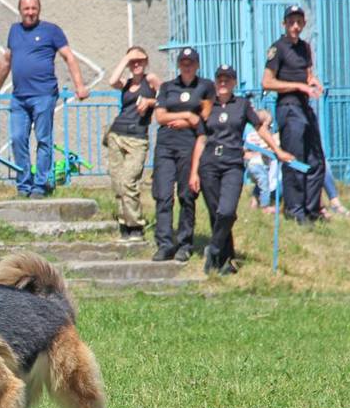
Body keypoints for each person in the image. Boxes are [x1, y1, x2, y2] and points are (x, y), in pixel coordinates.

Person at [188, 65, 294, 275]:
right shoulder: (208, 106)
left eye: (227, 79)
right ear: (215, 81)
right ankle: (224, 262)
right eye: (220, 78)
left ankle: (214, 249)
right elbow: (201, 139)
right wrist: (194, 172)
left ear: (234, 82)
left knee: (227, 212)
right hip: (209, 164)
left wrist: (277, 150)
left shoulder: (242, 105)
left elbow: (260, 128)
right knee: (216, 213)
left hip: (232, 163)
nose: (223, 82)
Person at [0, 0, 90, 198]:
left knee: (43, 140)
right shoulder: (14, 31)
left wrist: (79, 86)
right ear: (20, 10)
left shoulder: (51, 30)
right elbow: (6, 61)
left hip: (44, 95)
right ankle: (24, 185)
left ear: (39, 10)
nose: (30, 12)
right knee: (17, 139)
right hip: (19, 97)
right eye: (26, 9)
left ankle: (40, 185)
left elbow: (69, 57)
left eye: (34, 8)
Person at [262, 4, 326, 224]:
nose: (295, 26)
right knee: (295, 160)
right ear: (284, 24)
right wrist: (298, 86)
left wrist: (312, 81)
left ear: (304, 24)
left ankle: (312, 209)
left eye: (299, 22)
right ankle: (294, 210)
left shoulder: (305, 48)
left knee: (316, 160)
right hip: (288, 107)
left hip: (305, 107)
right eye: (291, 22)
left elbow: (307, 74)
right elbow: (267, 82)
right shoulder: (277, 48)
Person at [152, 46, 214, 262]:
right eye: (183, 63)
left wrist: (188, 121)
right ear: (179, 65)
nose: (187, 67)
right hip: (166, 144)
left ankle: (184, 243)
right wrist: (187, 115)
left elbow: (205, 116)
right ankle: (164, 243)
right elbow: (160, 116)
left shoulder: (205, 86)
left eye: (191, 63)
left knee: (186, 195)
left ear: (197, 65)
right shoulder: (168, 87)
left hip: (189, 144)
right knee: (163, 194)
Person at [105, 46, 160, 242]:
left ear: (146, 61)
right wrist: (126, 58)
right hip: (117, 134)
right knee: (118, 182)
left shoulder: (150, 79)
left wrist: (150, 102)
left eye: (140, 60)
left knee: (129, 181)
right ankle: (124, 224)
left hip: (137, 138)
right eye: (133, 62)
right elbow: (112, 81)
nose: (136, 64)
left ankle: (136, 225)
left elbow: (167, 98)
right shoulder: (126, 83)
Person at [243, 108, 278, 213]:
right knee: (264, 183)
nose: (270, 127)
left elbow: (246, 147)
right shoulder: (262, 136)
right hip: (258, 164)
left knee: (260, 183)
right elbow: (267, 148)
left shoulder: (251, 135)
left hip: (253, 164)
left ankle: (254, 202)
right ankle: (265, 206)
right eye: (269, 125)